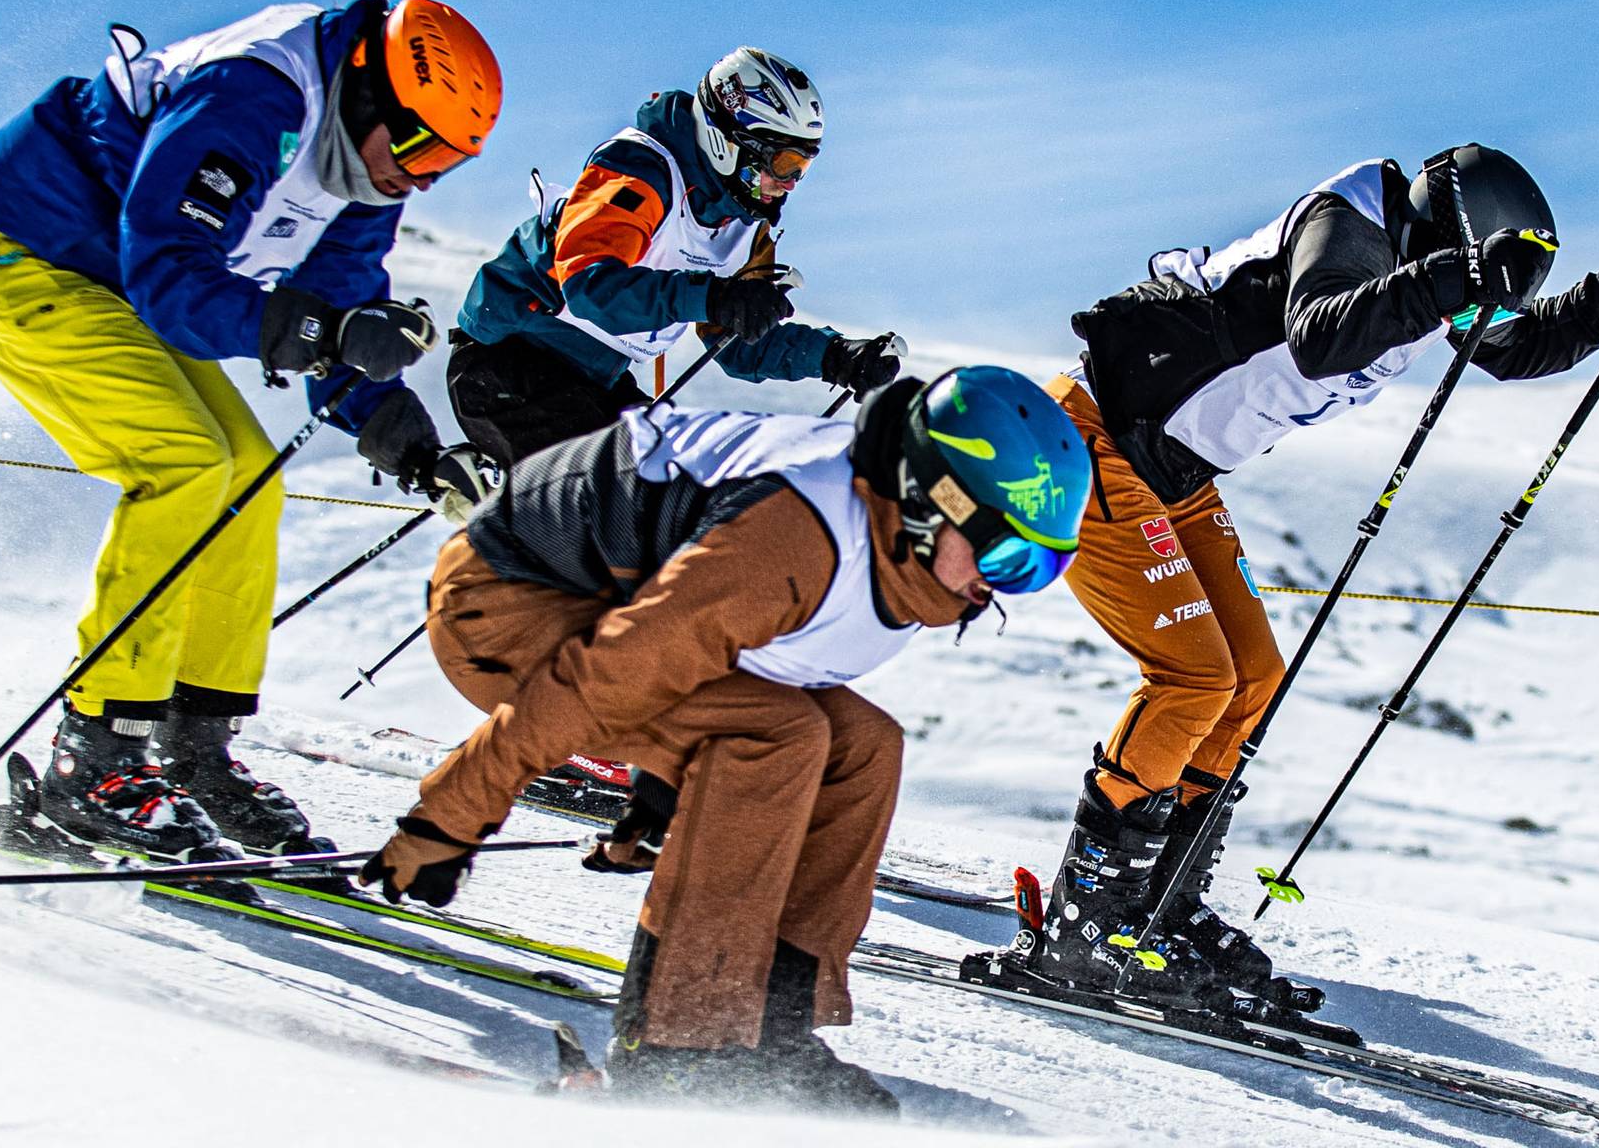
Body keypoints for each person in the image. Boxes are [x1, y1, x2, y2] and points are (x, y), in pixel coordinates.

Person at [1024, 144, 1599, 1005]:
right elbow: (1321, 336)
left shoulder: (1425, 273)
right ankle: (1089, 921)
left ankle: (1162, 907)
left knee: (1253, 680)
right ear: (1445, 234)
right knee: (1195, 679)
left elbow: (1512, 347)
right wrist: (1461, 278)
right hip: (1088, 443)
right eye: (1468, 273)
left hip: (1174, 474)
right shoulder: (1347, 223)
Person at [358, 366, 1090, 1114]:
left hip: (616, 612)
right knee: (776, 736)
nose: (1004, 587)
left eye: (1042, 568)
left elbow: (715, 644)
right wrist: (449, 818)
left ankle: (770, 1028)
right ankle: (679, 1049)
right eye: (1008, 557)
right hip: (500, 606)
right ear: (935, 502)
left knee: (864, 748)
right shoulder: (796, 538)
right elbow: (609, 675)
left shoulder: (887, 539)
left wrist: (666, 791)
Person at [0, 0, 501, 859]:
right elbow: (171, 276)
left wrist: (414, 447)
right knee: (187, 461)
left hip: (109, 287)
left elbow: (343, 305)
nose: (421, 176)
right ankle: (95, 754)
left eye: (449, 164)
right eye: (420, 145)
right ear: (368, 89)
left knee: (249, 480)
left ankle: (190, 752)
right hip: (12, 250)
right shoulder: (252, 94)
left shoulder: (366, 174)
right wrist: (326, 331)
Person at [446, 46, 906, 469]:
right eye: (784, 163)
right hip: (509, 362)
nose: (789, 184)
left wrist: (834, 357)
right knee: (625, 499)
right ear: (730, 141)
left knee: (685, 485)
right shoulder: (639, 169)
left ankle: (505, 499)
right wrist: (713, 297)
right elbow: (591, 287)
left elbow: (738, 343)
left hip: (593, 381)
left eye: (802, 168)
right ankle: (513, 516)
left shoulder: (745, 228)